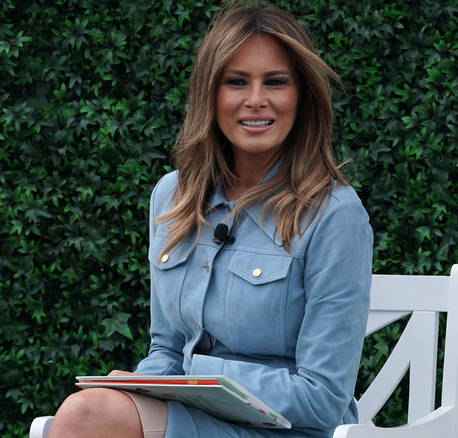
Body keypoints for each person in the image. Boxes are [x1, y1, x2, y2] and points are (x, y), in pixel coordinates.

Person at [48, 3, 372, 437]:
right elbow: (165, 347)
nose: (256, 99)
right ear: (210, 94)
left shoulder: (335, 215)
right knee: (89, 412)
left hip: (286, 430)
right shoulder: (173, 196)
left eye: (275, 82)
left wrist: (194, 376)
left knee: (87, 418)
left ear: (302, 96)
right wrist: (144, 384)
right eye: (236, 81)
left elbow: (324, 400)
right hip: (193, 417)